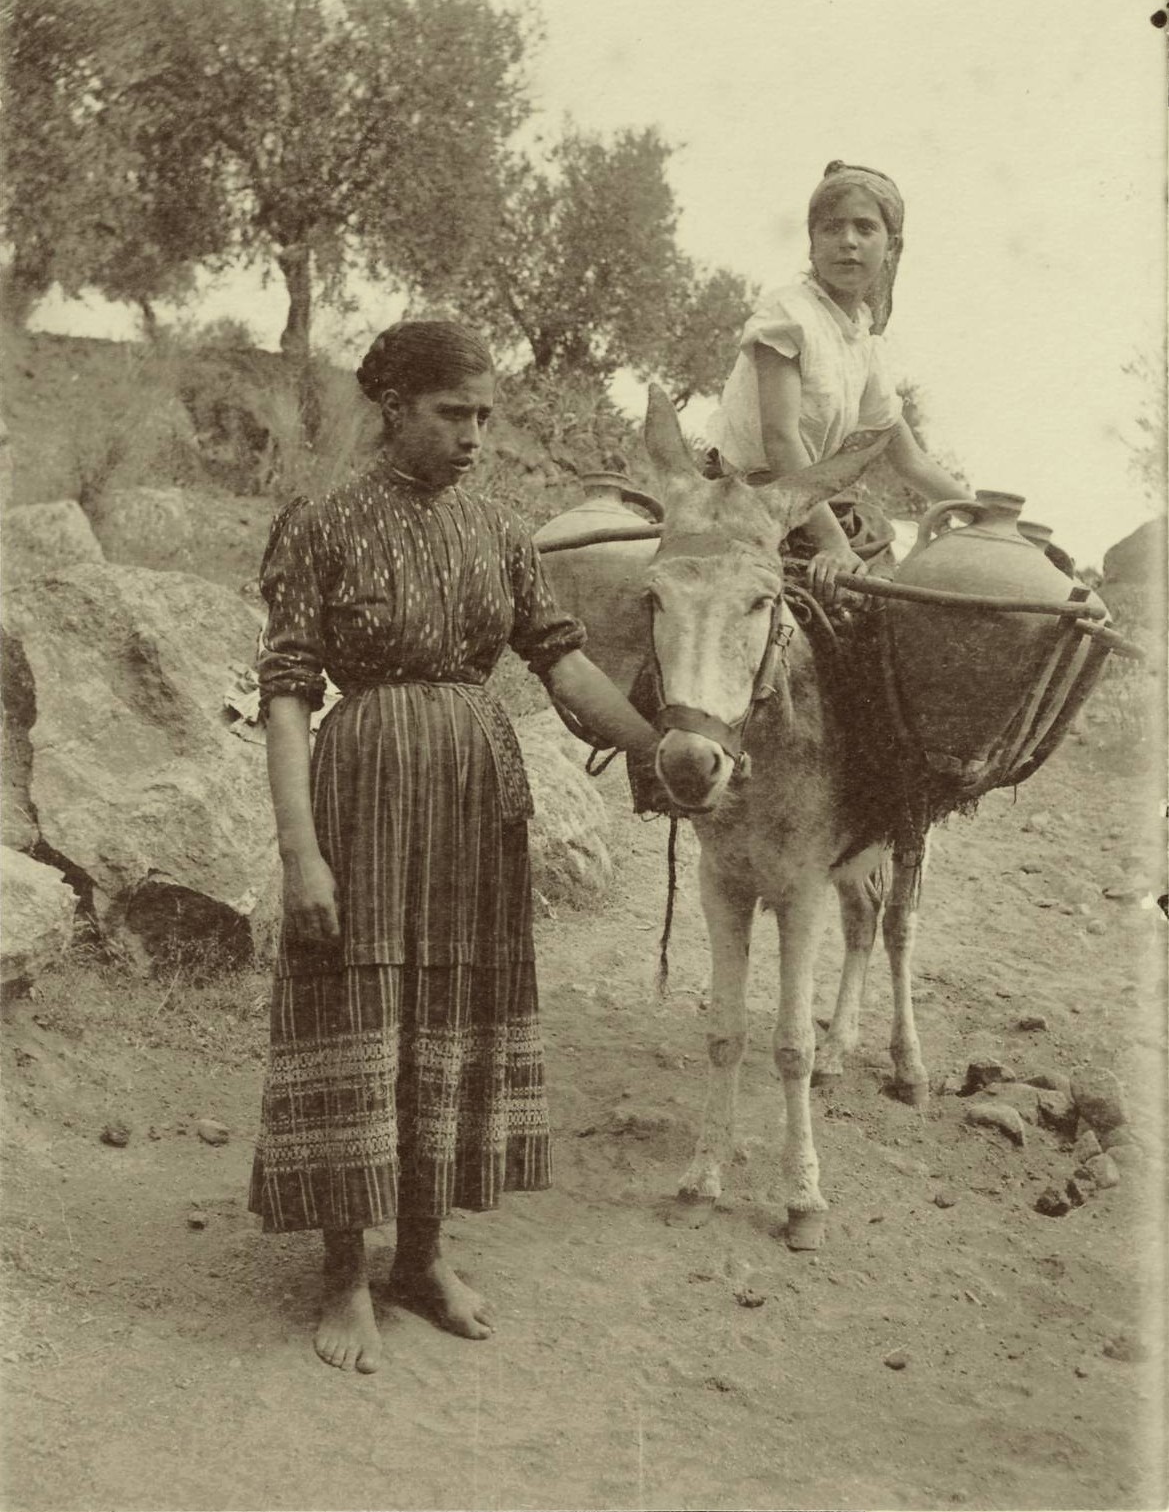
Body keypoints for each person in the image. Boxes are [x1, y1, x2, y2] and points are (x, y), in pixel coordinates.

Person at [249, 320, 659, 1374]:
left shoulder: (498, 532)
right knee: (358, 1004)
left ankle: (421, 1258)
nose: (473, 436)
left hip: (477, 799)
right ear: (393, 408)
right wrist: (302, 853)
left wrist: (661, 752)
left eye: (484, 415)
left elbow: (561, 669)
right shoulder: (323, 524)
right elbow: (290, 695)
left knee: (455, 1011)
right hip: (363, 791)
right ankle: (343, 1272)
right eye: (451, 414)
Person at [706, 160, 971, 598]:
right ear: (812, 244)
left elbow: (909, 459)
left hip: (809, 504)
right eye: (831, 229)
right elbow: (780, 437)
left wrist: (988, 519)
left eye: (865, 229)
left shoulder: (861, 339)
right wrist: (832, 543)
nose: (848, 242)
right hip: (752, 494)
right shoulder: (789, 315)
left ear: (892, 247)